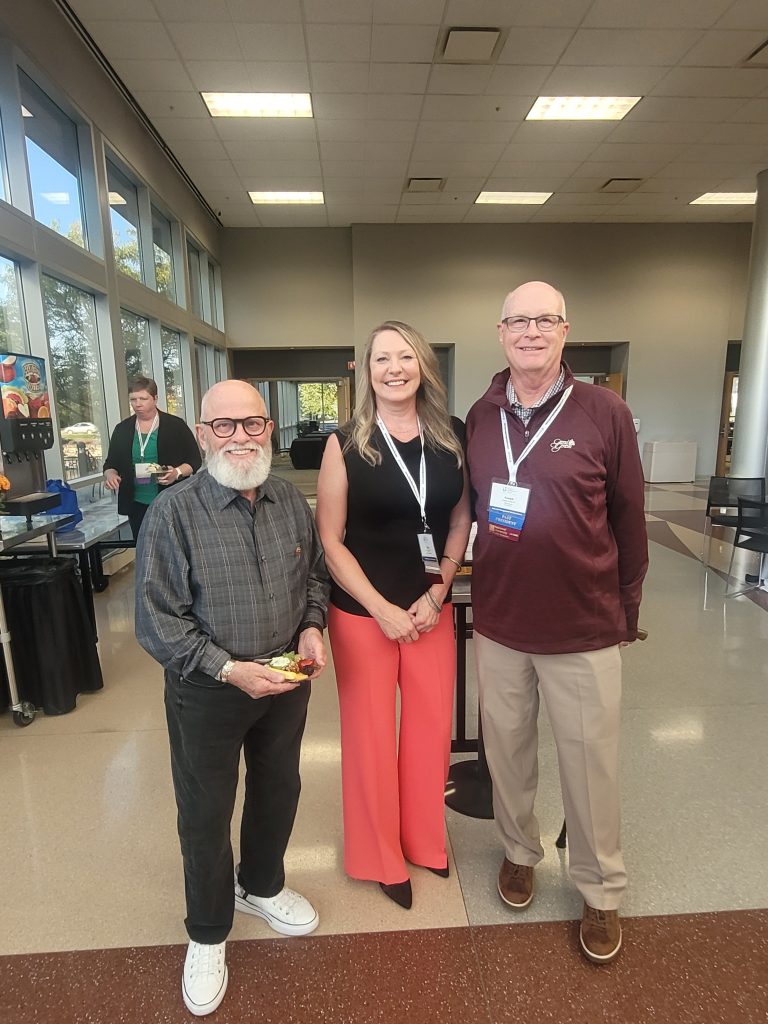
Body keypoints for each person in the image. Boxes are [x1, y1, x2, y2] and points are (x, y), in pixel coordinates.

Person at [465, 281, 648, 964]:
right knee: (507, 752)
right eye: (519, 320)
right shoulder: (481, 414)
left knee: (590, 765)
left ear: (565, 330)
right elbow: (470, 508)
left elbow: (629, 518)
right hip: (502, 621)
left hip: (583, 625)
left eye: (545, 319)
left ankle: (600, 889)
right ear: (501, 331)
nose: (531, 331)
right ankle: (519, 852)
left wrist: (626, 610)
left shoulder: (605, 411)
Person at [134, 379, 329, 1017]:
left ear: (269, 428)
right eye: (224, 426)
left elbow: (315, 575)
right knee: (205, 811)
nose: (240, 437)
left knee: (279, 787)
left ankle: (261, 886)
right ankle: (208, 932)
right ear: (202, 433)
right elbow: (157, 620)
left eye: (252, 424)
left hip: (284, 678)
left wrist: (312, 626)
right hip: (207, 688)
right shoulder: (173, 513)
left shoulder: (288, 500)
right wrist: (228, 669)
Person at [316, 320, 471, 910]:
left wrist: (438, 591)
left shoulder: (451, 434)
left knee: (431, 732)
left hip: (430, 610)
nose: (394, 369)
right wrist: (381, 610)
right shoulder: (345, 443)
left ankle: (425, 840)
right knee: (371, 739)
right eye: (381, 359)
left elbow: (459, 519)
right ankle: (379, 855)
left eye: (405, 356)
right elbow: (331, 541)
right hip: (364, 615)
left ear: (423, 365)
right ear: (367, 371)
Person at [103, 376, 202, 539]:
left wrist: (176, 473)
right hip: (137, 504)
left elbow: (194, 460)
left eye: (143, 399)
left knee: (174, 545)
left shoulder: (176, 425)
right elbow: (110, 464)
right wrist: (111, 475)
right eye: (133, 399)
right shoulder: (122, 429)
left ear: (155, 399)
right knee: (143, 546)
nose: (138, 404)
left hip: (172, 500)